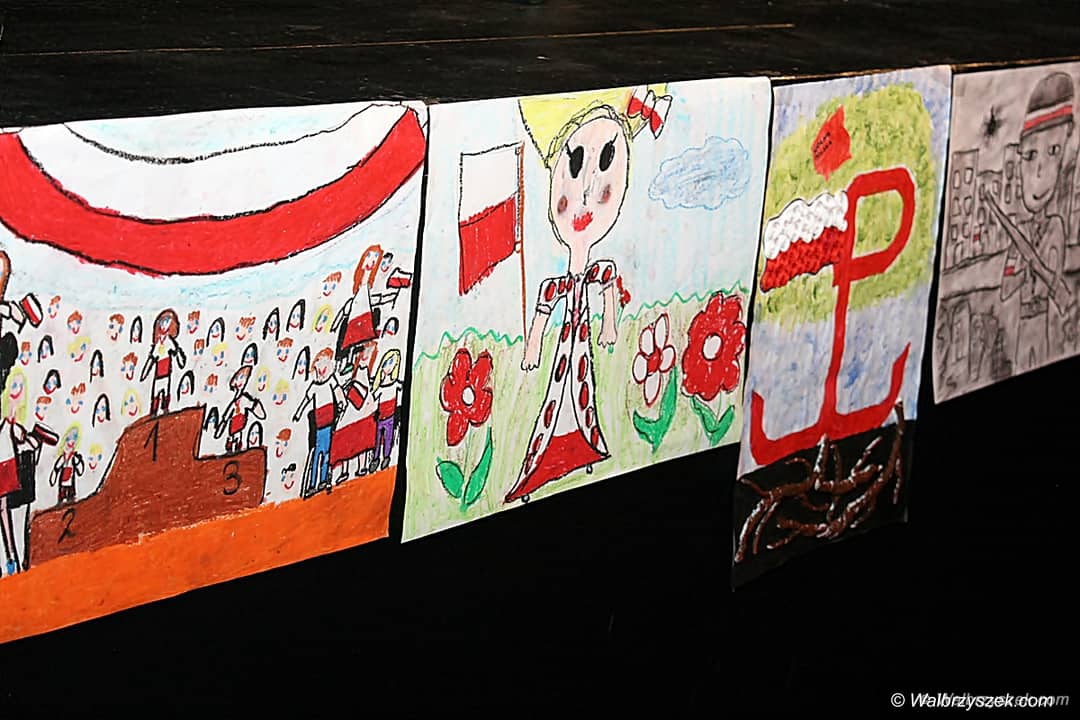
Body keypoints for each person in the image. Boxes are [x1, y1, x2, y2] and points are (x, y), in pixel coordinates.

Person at [504, 86, 667, 503]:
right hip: (564, 350)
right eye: (574, 166)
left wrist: (610, 324)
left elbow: (608, 291)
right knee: (561, 393)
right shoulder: (559, 284)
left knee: (583, 392)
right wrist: (532, 348)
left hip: (580, 348)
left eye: (606, 163)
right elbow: (543, 311)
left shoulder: (601, 271)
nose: (587, 193)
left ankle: (583, 446)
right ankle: (545, 459)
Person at [999, 72, 1075, 371]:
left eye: (1053, 151)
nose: (1040, 173)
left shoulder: (1056, 226)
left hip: (1042, 322)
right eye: (1029, 156)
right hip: (1023, 325)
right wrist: (1023, 270)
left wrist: (1040, 267)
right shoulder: (1020, 233)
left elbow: (1054, 269)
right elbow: (1005, 289)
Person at [293, 348, 345, 497]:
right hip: (319, 425)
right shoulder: (315, 386)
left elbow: (339, 393)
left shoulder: (331, 381)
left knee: (326, 453)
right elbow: (306, 400)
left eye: (324, 368)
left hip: (329, 423)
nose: (321, 372)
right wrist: (298, 413)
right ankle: (312, 484)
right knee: (317, 454)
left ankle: (322, 480)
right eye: (319, 369)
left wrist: (342, 403)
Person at [140, 308, 187, 415]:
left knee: (165, 393)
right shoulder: (158, 344)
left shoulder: (169, 341)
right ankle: (153, 413)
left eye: (167, 322)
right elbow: (151, 359)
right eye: (162, 322)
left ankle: (165, 410)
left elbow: (177, 353)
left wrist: (181, 361)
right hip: (158, 374)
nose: (164, 325)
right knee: (156, 394)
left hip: (166, 373)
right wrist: (144, 373)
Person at [216, 365, 267, 454]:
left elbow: (260, 414)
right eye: (238, 378)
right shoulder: (233, 402)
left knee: (238, 439)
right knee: (231, 439)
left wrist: (256, 405)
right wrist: (220, 430)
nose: (241, 381)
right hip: (233, 424)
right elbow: (226, 418)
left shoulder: (245, 400)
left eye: (243, 378)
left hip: (240, 424)